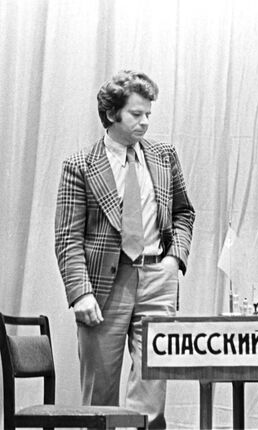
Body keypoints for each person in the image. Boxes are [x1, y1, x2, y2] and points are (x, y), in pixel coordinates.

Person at [55, 70, 195, 429]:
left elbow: (183, 212)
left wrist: (174, 259)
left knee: (152, 390)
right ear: (112, 113)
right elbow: (68, 238)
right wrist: (79, 293)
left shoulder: (164, 156)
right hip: (104, 286)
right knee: (99, 398)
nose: (145, 122)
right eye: (136, 114)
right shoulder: (80, 166)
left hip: (156, 280)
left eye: (149, 113)